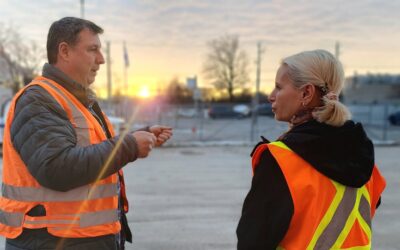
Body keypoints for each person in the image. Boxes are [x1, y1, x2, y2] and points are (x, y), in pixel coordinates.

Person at [0, 17, 172, 250]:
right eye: (93, 50)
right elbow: (56, 168)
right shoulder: (38, 100)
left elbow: (90, 147)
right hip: (51, 241)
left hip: (82, 238)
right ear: (65, 51)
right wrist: (129, 146)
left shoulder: (76, 100)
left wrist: (141, 135)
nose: (101, 60)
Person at [236, 50, 386, 249]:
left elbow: (252, 242)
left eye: (278, 87)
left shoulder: (281, 160)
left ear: (306, 93)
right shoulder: (360, 151)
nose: (271, 96)